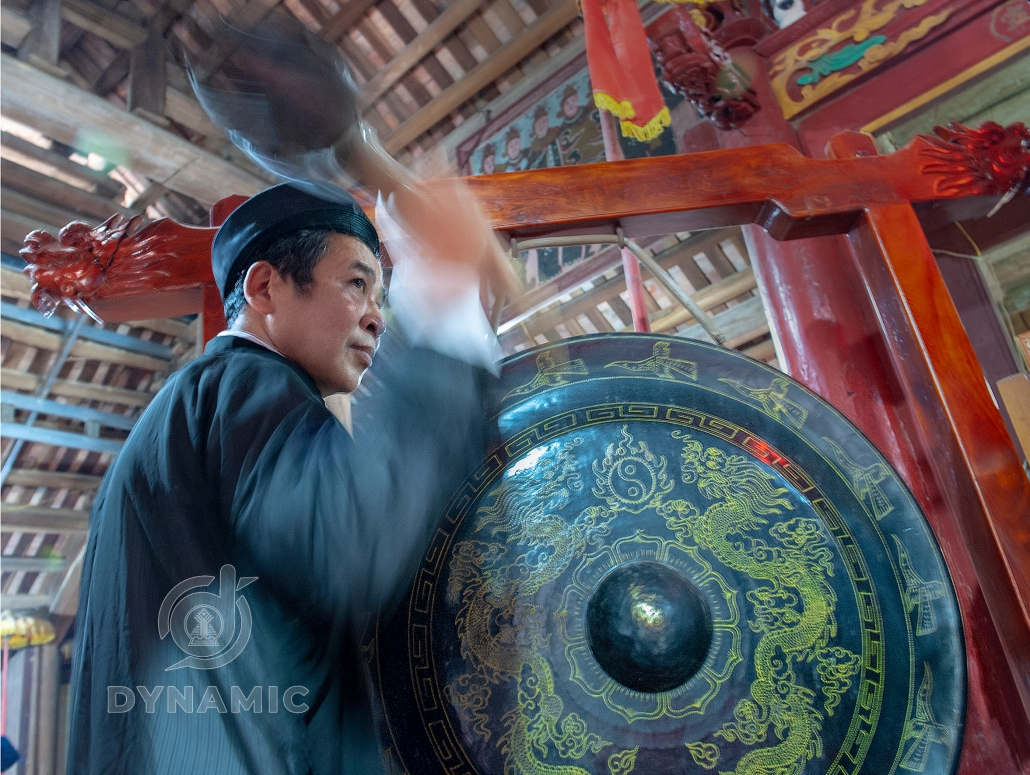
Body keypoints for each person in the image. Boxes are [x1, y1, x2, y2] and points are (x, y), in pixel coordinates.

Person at [66, 173, 512, 772]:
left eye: (382, 295)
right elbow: (350, 542)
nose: (377, 318)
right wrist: (444, 302)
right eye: (357, 283)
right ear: (265, 288)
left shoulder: (188, 412)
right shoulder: (241, 386)